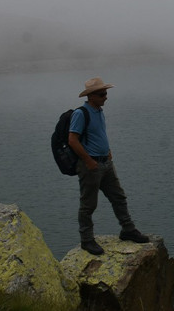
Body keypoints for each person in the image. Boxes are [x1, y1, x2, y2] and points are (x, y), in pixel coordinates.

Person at [69, 77, 149, 255]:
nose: (106, 97)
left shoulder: (98, 111)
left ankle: (128, 229)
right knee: (88, 205)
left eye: (106, 93)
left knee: (118, 197)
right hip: (91, 166)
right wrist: (89, 160)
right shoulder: (81, 113)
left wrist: (108, 150)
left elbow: (98, 134)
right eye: (102, 94)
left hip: (105, 163)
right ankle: (87, 240)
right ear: (91, 96)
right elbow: (72, 140)